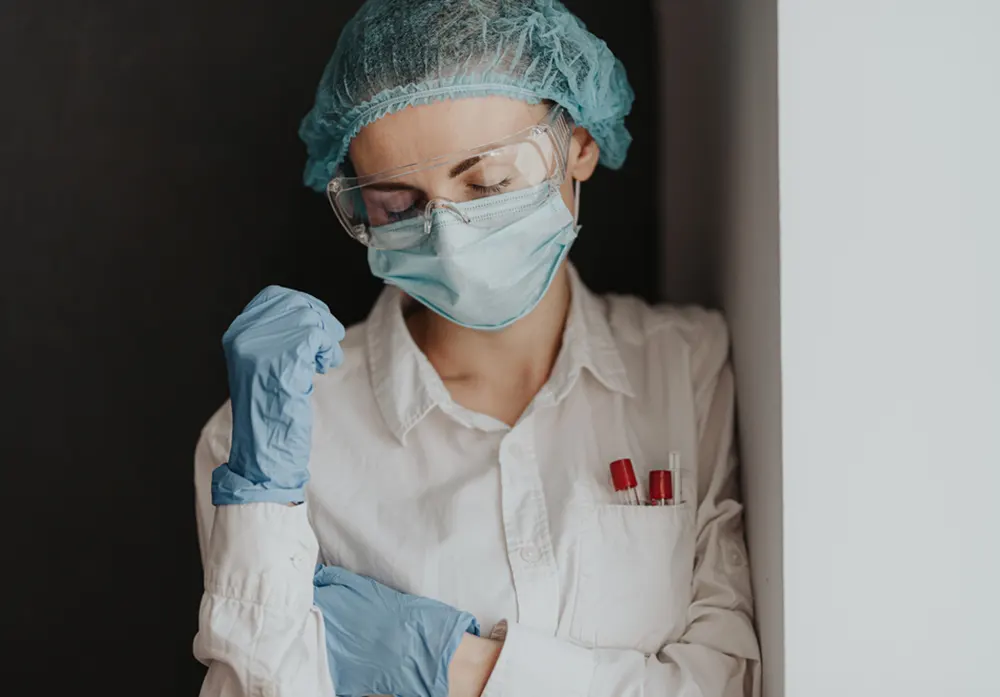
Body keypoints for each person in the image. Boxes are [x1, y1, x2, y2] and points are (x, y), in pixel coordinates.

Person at [192, 1, 761, 696]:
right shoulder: (279, 437)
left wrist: (460, 668)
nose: (450, 238)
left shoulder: (684, 367)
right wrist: (260, 505)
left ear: (578, 144)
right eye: (398, 206)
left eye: (488, 183)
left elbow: (730, 680)